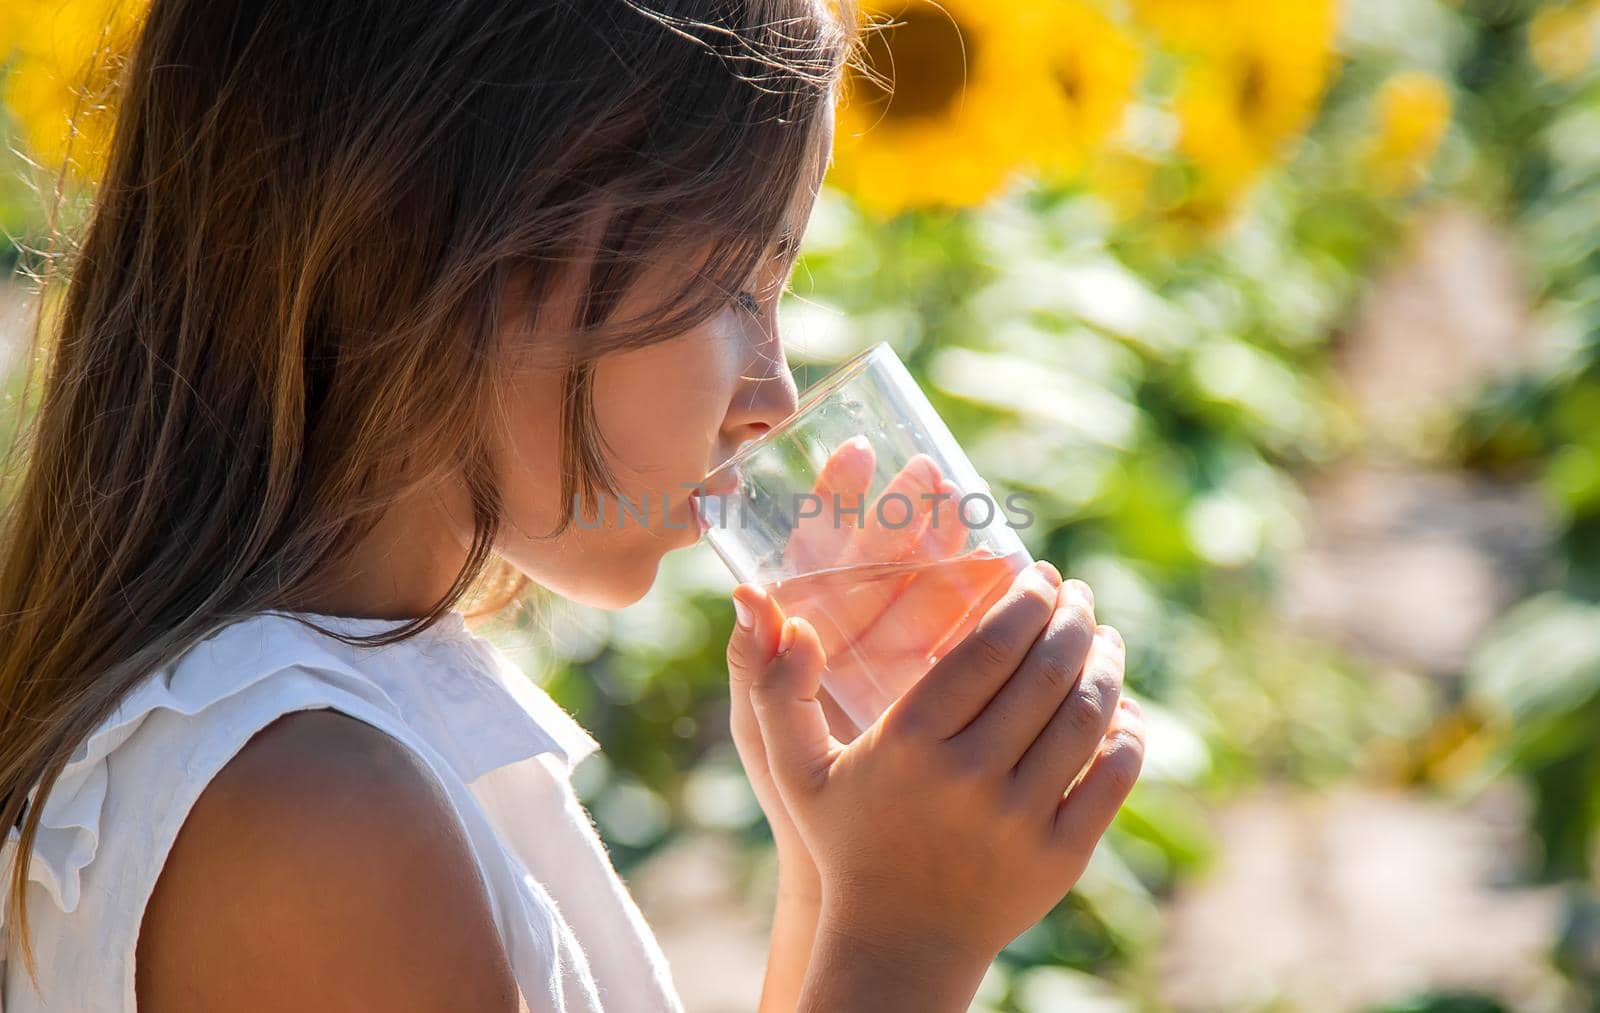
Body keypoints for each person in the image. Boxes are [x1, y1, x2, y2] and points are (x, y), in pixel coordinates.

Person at [0, 1, 1146, 1010]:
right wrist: (904, 945)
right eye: (738, 284)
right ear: (443, 233)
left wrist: (831, 870)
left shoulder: (345, 709)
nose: (776, 394)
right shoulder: (307, 816)